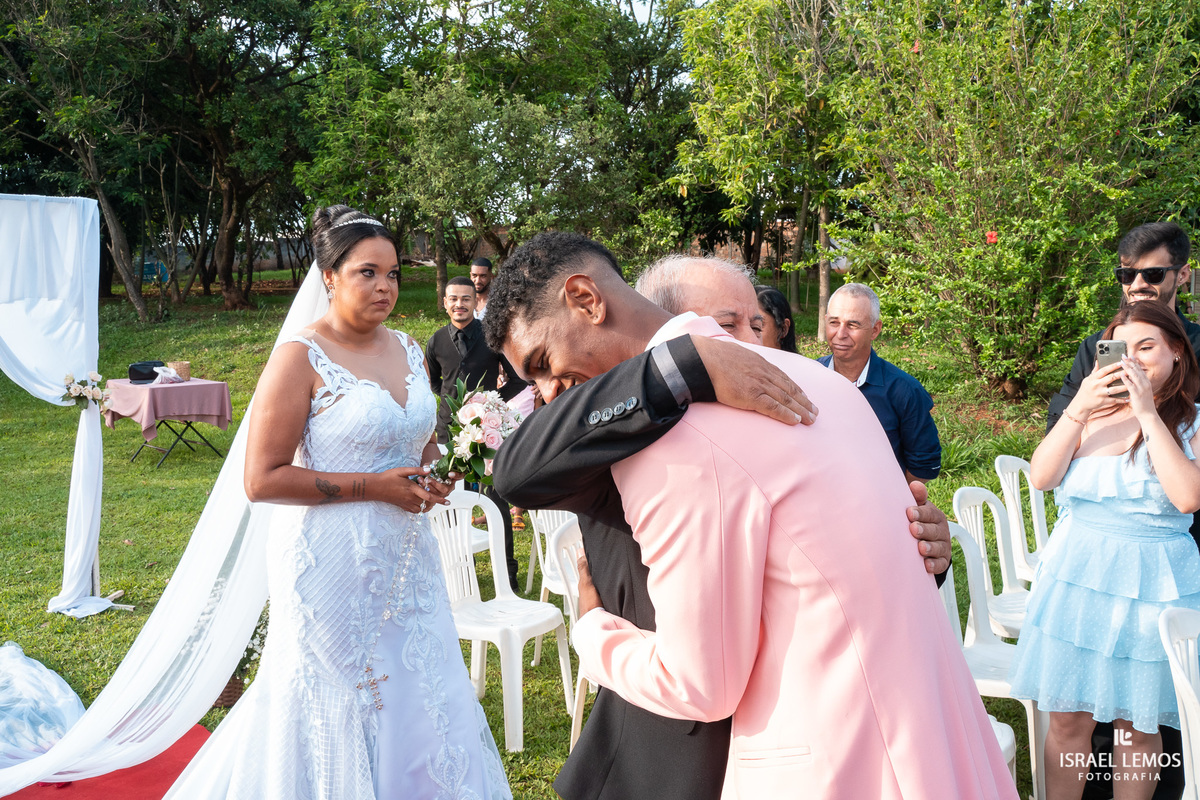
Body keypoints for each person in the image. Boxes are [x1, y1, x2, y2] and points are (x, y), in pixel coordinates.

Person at [487, 234, 1009, 799]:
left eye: (749, 325)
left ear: (588, 299)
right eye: (721, 327)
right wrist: (676, 367)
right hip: (897, 741)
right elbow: (516, 471)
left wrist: (591, 631)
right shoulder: (825, 386)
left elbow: (701, 681)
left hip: (822, 758)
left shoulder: (683, 439)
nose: (547, 392)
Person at [165, 206, 510, 800]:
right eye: (368, 273)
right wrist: (374, 487)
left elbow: (416, 438)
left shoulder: (405, 347)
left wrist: (437, 469)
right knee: (335, 697)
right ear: (329, 276)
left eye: (395, 274)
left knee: (418, 686)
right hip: (329, 563)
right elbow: (262, 478)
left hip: (408, 558)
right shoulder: (298, 356)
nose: (385, 287)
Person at [1010, 300, 1200, 800]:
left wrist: (1145, 411)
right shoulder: (1089, 414)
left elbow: (1187, 497)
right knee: (1068, 718)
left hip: (1153, 581)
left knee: (1135, 725)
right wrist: (1080, 407)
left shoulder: (1191, 422)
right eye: (1121, 347)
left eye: (1147, 347)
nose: (1133, 359)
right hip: (1077, 574)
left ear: (1176, 353)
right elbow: (1043, 476)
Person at [425, 275, 526, 589]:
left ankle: (508, 574)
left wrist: (490, 405)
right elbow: (435, 382)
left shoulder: (492, 336)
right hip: (448, 435)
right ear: (445, 303)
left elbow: (518, 380)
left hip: (487, 433)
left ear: (474, 301)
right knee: (450, 505)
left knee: (495, 501)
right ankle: (459, 574)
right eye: (453, 298)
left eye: (465, 299)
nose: (459, 304)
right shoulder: (437, 341)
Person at [819, 282, 941, 483]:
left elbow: (924, 465)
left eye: (853, 324)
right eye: (834, 322)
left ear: (875, 330)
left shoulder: (905, 391)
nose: (840, 334)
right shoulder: (809, 377)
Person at [755, 284, 797, 352]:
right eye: (732, 325)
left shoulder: (805, 363)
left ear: (784, 329)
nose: (747, 335)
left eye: (756, 327)